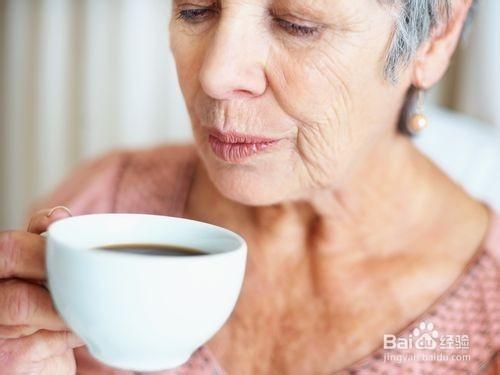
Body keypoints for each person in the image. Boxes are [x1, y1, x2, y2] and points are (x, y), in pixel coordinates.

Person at [0, 0, 498, 374]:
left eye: (296, 24)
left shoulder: (488, 318)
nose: (216, 74)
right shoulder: (95, 207)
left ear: (436, 34)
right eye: (196, 9)